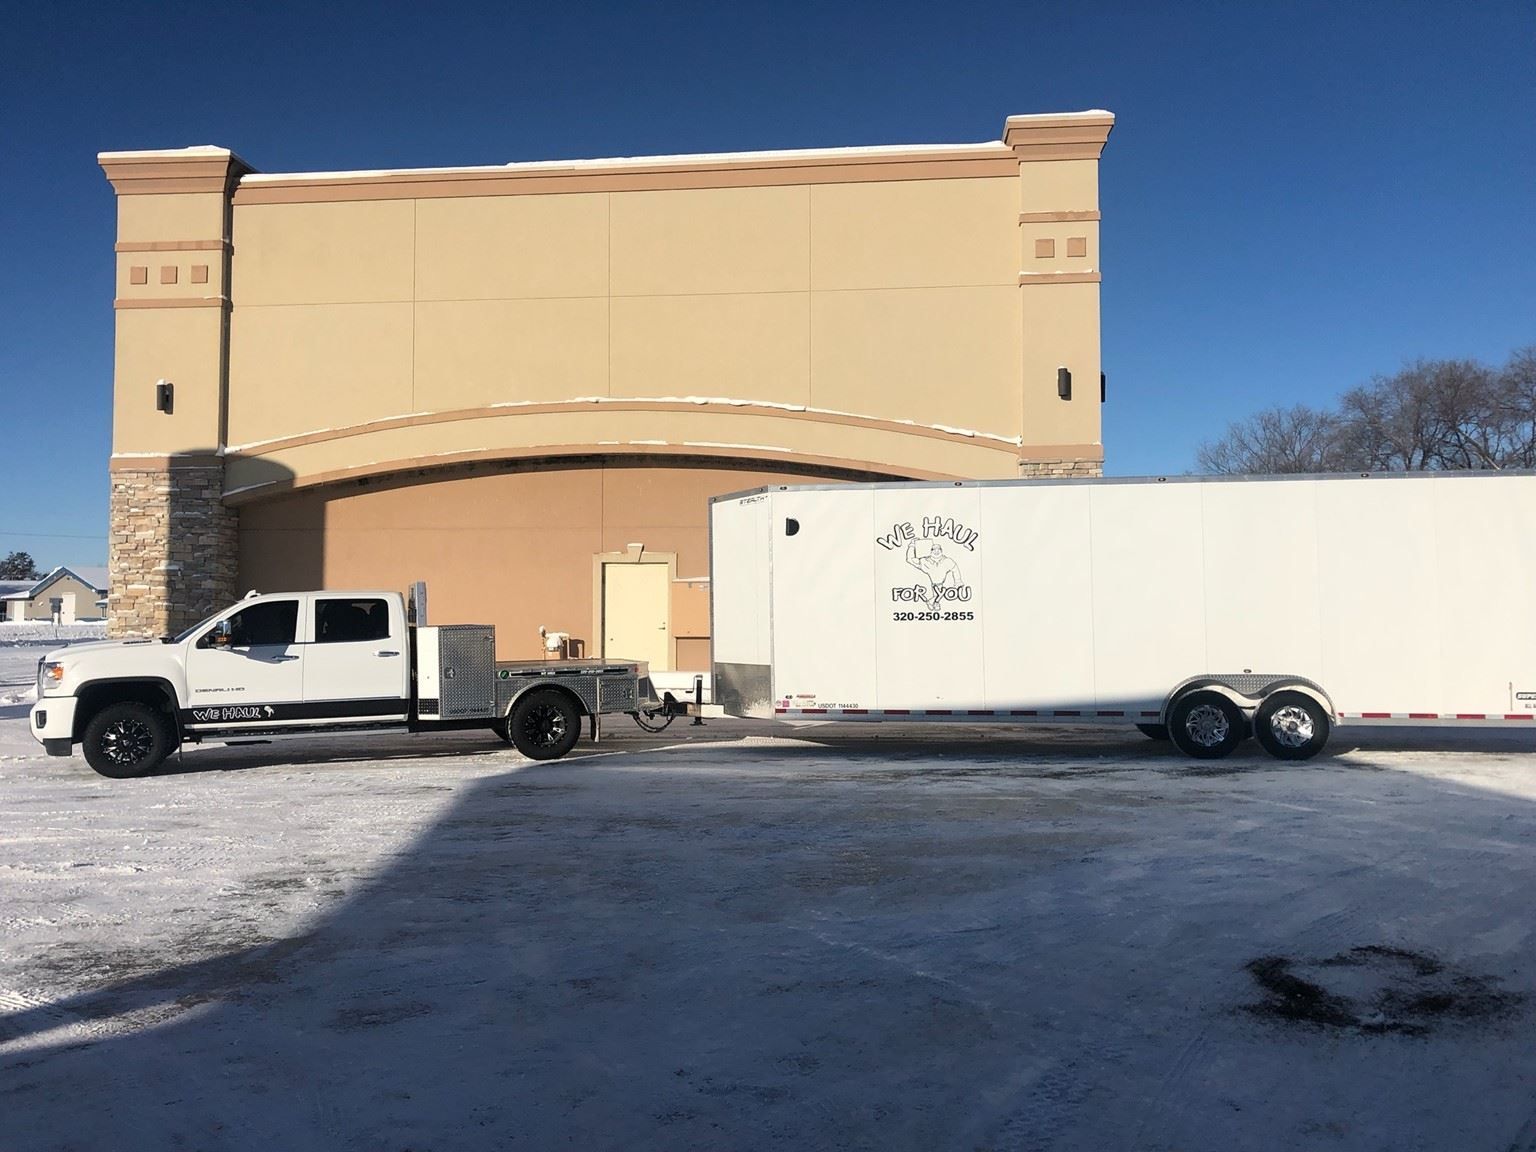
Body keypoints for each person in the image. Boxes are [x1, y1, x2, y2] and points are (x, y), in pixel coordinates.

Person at [905, 541, 960, 607]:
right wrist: (912, 545)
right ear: (930, 551)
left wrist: (958, 580)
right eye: (933, 549)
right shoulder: (924, 561)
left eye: (938, 549)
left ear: (941, 550)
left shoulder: (947, 561)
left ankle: (932, 603)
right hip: (930, 586)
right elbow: (910, 559)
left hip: (939, 586)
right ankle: (932, 603)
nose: (936, 551)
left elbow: (955, 568)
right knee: (937, 595)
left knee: (937, 595)